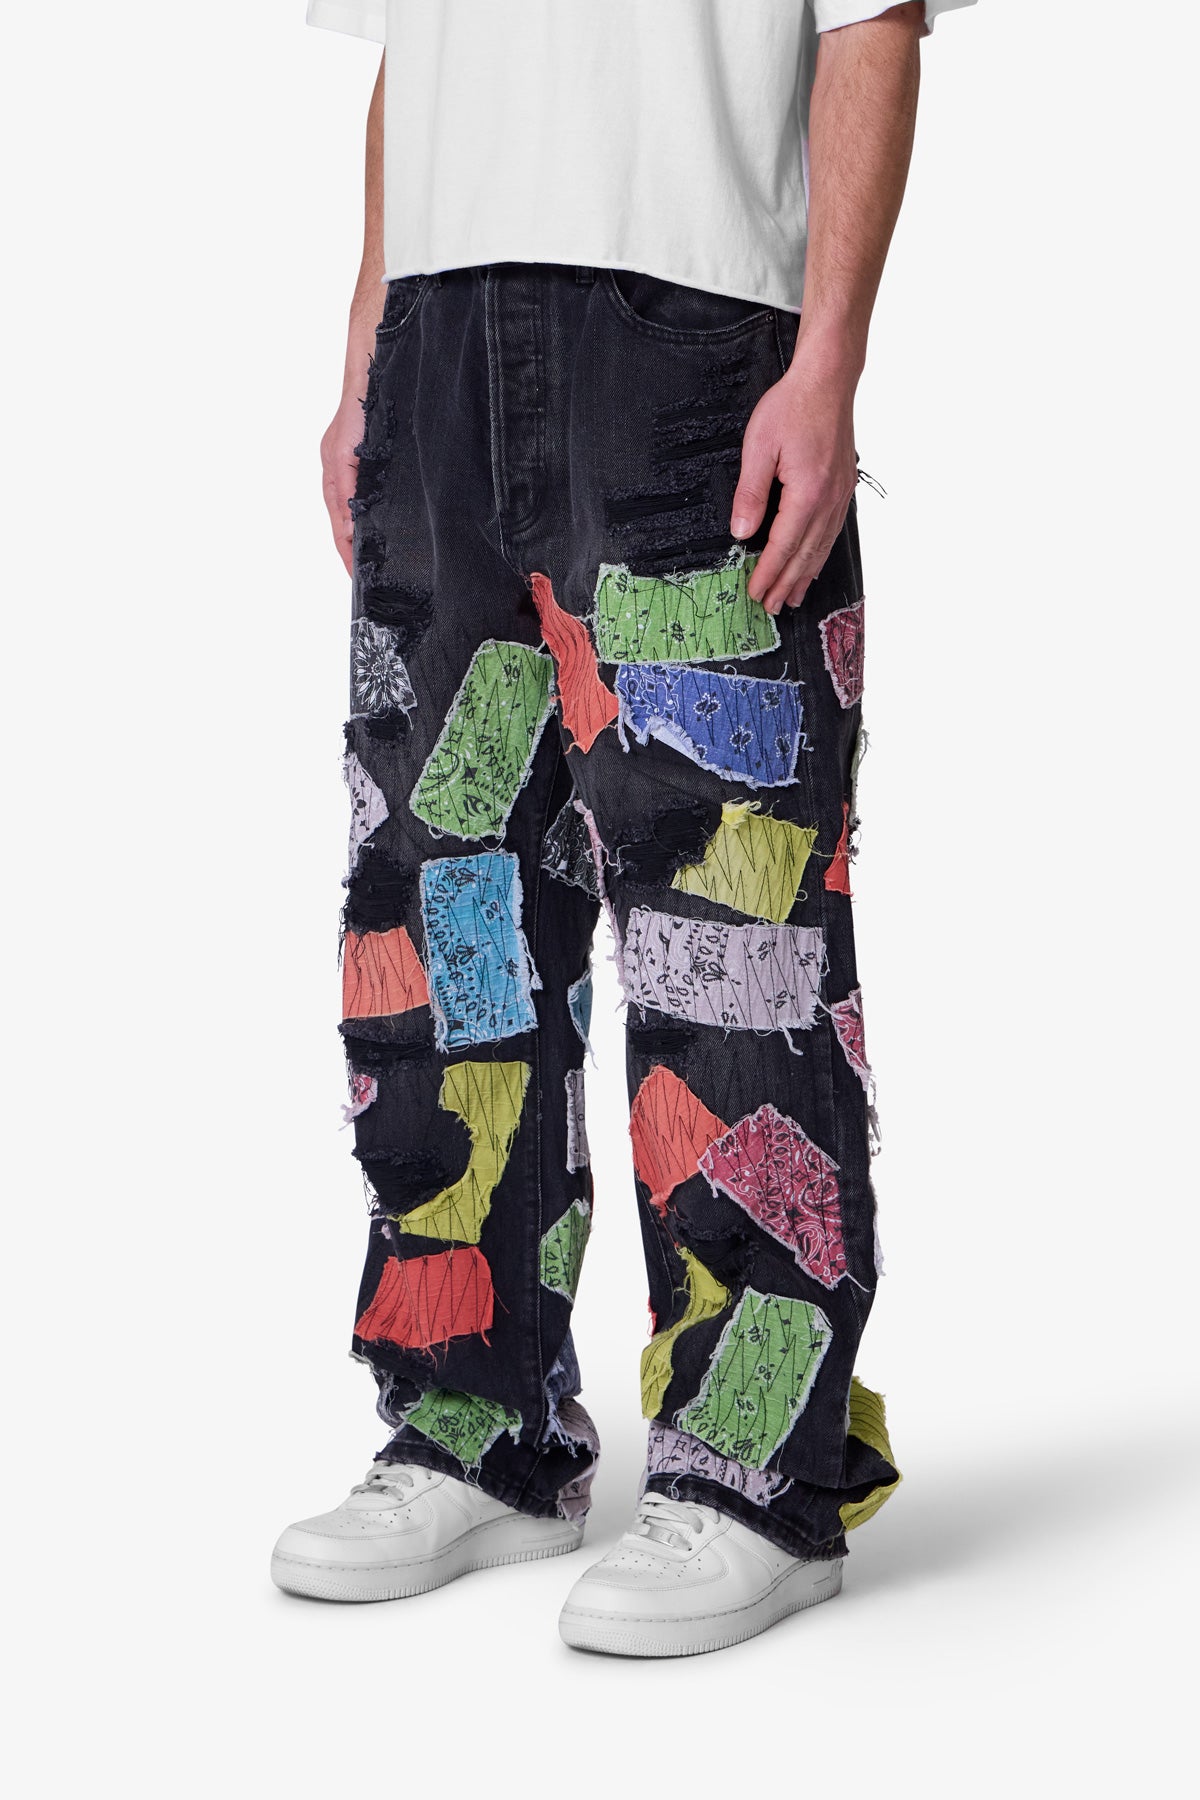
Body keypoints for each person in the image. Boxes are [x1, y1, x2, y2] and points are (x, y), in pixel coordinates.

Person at [273, 0, 974, 1658]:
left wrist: (829, 358)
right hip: (441, 348)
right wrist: (367, 349)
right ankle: (477, 1430)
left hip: (696, 337)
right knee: (441, 912)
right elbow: (412, 55)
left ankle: (755, 1476)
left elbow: (873, 22)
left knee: (728, 923)